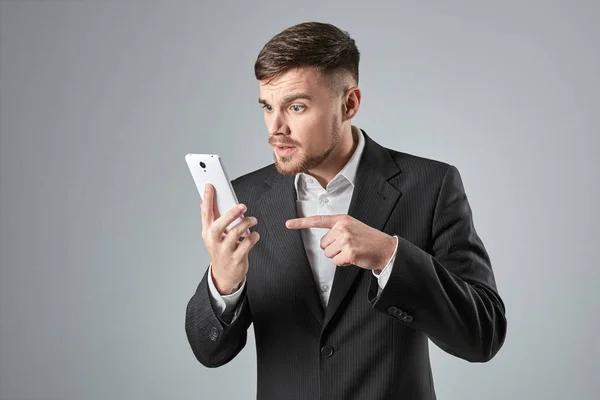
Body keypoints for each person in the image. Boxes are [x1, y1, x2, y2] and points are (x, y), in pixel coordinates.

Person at [185, 21, 507, 400]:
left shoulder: (431, 186)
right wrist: (224, 283)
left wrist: (390, 256)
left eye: (296, 106)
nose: (275, 127)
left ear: (349, 103)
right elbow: (209, 352)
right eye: (268, 107)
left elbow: (483, 336)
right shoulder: (246, 197)